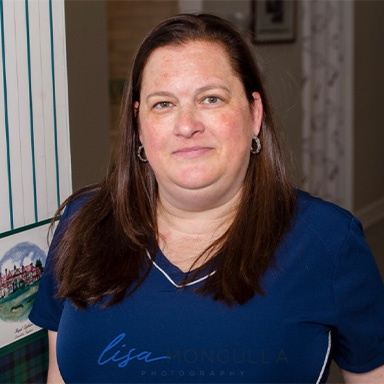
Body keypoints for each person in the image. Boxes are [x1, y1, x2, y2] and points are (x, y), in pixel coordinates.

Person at [29, 13, 384, 383]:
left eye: (211, 98)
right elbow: (59, 373)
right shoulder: (83, 223)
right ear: (138, 126)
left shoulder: (329, 243)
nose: (187, 125)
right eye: (163, 104)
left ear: (254, 115)